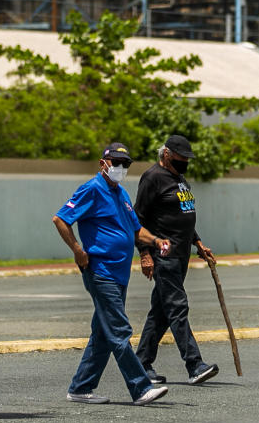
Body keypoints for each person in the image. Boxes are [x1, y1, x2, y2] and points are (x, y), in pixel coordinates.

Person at [53, 142, 172, 406]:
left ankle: (81, 387)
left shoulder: (121, 194)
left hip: (119, 275)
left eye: (125, 164)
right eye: (115, 163)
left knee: (103, 334)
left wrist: (156, 241)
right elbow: (60, 219)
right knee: (119, 330)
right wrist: (77, 250)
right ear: (102, 164)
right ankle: (140, 388)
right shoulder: (92, 189)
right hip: (100, 272)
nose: (120, 168)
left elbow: (136, 230)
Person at [134, 134, 219, 386]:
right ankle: (194, 364)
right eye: (181, 158)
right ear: (167, 154)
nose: (185, 163)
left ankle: (141, 364)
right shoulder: (152, 178)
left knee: (161, 313)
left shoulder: (179, 179)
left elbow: (184, 216)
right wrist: (144, 253)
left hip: (182, 256)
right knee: (178, 307)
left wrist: (198, 243)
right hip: (164, 255)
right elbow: (138, 220)